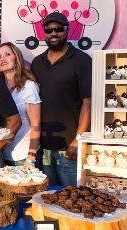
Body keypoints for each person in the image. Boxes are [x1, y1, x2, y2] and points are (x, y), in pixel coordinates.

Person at [31, 11, 92, 186]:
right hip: (44, 148)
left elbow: (87, 103)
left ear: (67, 30)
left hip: (69, 147)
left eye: (58, 29)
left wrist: (77, 140)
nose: (53, 33)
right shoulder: (37, 62)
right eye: (49, 30)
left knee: (71, 196)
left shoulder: (82, 60)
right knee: (47, 196)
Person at [0, 42, 41, 167]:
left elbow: (36, 125)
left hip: (22, 157)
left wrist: (31, 158)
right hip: (0, 156)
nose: (2, 59)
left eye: (7, 54)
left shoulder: (29, 87)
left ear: (17, 58)